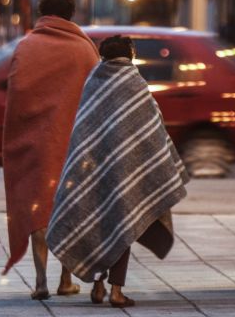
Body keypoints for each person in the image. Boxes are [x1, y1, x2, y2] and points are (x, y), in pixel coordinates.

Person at [46, 35, 190, 308]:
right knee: (122, 221)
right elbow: (151, 127)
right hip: (127, 169)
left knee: (98, 222)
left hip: (91, 169)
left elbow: (85, 127)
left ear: (104, 56)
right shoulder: (134, 82)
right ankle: (116, 291)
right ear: (130, 54)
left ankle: (98, 287)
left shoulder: (93, 81)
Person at [1, 0, 100, 300]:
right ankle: (65, 279)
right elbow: (95, 95)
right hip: (72, 142)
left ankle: (41, 280)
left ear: (43, 13)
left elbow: (16, 90)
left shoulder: (27, 46)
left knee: (37, 207)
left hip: (34, 141)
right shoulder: (84, 50)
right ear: (71, 15)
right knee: (69, 208)